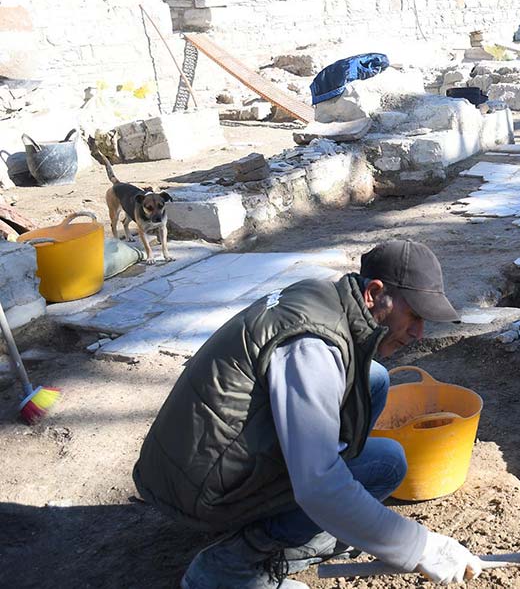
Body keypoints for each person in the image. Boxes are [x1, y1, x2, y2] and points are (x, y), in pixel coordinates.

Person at [133, 240, 483, 588]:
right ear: (374, 293)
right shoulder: (312, 346)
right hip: (197, 489)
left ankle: (290, 526)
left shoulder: (325, 296)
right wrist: (421, 547)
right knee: (335, 484)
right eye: (415, 315)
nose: (420, 333)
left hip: (201, 460)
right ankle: (229, 569)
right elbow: (319, 486)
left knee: (383, 438)